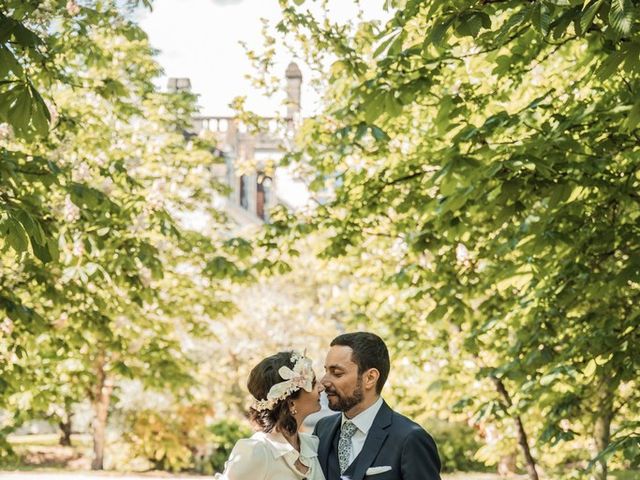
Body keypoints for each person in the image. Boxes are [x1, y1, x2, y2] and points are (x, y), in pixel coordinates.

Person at [314, 332, 441, 480]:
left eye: (337, 373)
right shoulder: (322, 429)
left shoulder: (410, 438)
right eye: (326, 371)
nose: (324, 382)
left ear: (370, 378)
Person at [216, 350, 326, 480]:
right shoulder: (256, 451)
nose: (322, 387)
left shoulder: (312, 445)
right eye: (312, 383)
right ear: (291, 403)